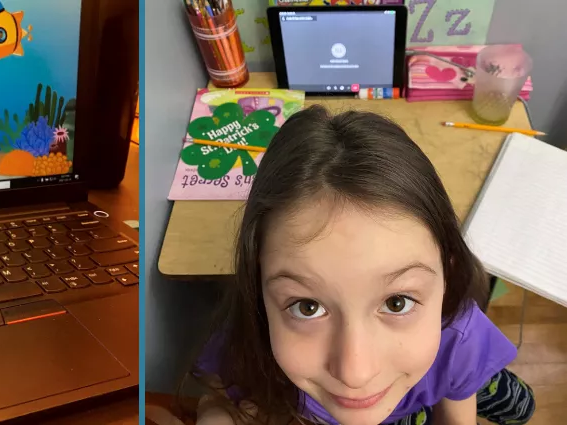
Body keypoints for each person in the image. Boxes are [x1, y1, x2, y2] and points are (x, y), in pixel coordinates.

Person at [191, 105, 535, 425]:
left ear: (446, 274)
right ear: (258, 288)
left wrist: (461, 383)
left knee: (520, 408)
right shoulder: (246, 342)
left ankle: (483, 380)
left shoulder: (460, 338)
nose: (355, 373)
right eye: (307, 307)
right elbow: (216, 395)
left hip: (448, 370)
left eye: (396, 302)